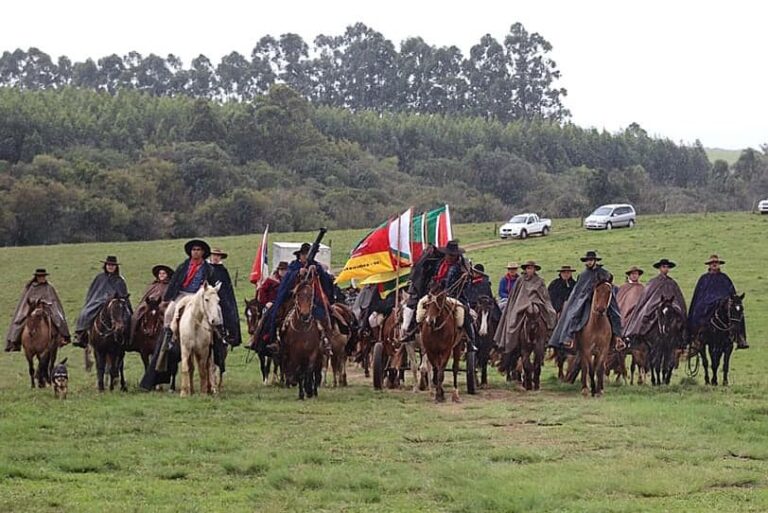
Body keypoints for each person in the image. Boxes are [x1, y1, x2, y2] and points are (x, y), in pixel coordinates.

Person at [140, 239, 219, 390]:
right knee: (170, 311)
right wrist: (170, 297)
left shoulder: (208, 268)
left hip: (200, 295)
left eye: (198, 250)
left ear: (203, 252)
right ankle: (170, 335)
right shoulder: (183, 266)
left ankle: (219, 334)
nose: (195, 252)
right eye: (193, 249)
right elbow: (176, 282)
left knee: (217, 311)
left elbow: (212, 286)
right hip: (183, 295)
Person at [262, 242, 335, 355]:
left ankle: (326, 341)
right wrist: (297, 273)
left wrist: (317, 271)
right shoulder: (293, 266)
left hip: (312, 300)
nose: (305, 256)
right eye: (304, 254)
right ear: (299, 255)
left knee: (326, 315)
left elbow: (326, 281)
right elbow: (287, 281)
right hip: (293, 299)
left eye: (308, 254)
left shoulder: (316, 266)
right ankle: (273, 340)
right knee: (275, 313)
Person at [408, 240, 478, 351]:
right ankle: (412, 329)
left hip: (454, 296)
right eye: (448, 254)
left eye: (453, 255)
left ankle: (470, 341)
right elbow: (433, 277)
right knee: (420, 303)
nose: (450, 257)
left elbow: (467, 285)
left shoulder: (461, 267)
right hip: (435, 293)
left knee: (464, 312)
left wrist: (464, 280)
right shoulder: (439, 264)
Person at [548, 250, 622, 352]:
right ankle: (569, 337)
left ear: (595, 261)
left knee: (615, 313)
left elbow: (608, 282)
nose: (589, 262)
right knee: (573, 312)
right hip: (586, 301)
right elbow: (579, 291)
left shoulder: (604, 273)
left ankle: (618, 338)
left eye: (591, 260)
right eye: (587, 261)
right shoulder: (583, 275)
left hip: (602, 299)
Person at [494, 260, 557, 361]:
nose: (530, 270)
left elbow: (544, 296)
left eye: (531, 268)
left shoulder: (540, 281)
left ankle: (549, 337)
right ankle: (512, 338)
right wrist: (525, 302)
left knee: (551, 313)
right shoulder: (521, 281)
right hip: (521, 303)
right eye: (528, 268)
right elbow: (516, 295)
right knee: (513, 318)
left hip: (538, 303)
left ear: (535, 269)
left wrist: (537, 302)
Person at [688, 254, 747, 349]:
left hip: (723, 304)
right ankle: (696, 337)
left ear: (719, 264)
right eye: (712, 263)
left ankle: (740, 337)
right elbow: (699, 296)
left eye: (716, 263)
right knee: (698, 311)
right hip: (707, 304)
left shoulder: (725, 278)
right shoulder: (704, 279)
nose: (714, 264)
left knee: (738, 312)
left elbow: (732, 293)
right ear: (709, 265)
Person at [623, 259, 687, 345]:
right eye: (664, 267)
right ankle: (637, 337)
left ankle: (682, 341)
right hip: (655, 306)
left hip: (670, 306)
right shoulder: (654, 282)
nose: (666, 269)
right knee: (645, 314)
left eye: (667, 267)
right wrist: (656, 304)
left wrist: (676, 307)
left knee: (680, 317)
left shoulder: (672, 283)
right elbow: (647, 298)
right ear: (660, 268)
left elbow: (678, 298)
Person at [5, 268, 71, 352]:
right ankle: (14, 341)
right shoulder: (31, 287)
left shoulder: (49, 287)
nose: (42, 278)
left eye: (43, 276)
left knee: (58, 317)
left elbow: (53, 300)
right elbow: (26, 300)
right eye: (40, 277)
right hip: (32, 308)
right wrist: (34, 304)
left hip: (47, 308)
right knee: (20, 318)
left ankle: (63, 337)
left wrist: (46, 303)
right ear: (37, 277)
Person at [74, 256, 132, 348]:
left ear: (116, 267)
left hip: (117, 303)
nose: (111, 267)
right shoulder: (99, 278)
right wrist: (102, 299)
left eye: (113, 265)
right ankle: (81, 334)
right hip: (99, 301)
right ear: (105, 266)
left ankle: (129, 339)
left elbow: (123, 294)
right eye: (109, 265)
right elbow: (93, 292)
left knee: (128, 317)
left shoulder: (120, 280)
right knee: (85, 313)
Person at [209, 248, 242, 348]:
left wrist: (224, 297)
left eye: (217, 256)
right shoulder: (205, 268)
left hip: (221, 297)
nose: (215, 257)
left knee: (228, 310)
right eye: (214, 255)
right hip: (207, 295)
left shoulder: (223, 270)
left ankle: (227, 334)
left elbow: (227, 287)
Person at [616, 265, 645, 331]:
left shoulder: (642, 288)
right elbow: (619, 300)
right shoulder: (624, 287)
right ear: (629, 275)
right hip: (625, 313)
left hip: (638, 313)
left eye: (636, 274)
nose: (634, 275)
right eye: (632, 274)